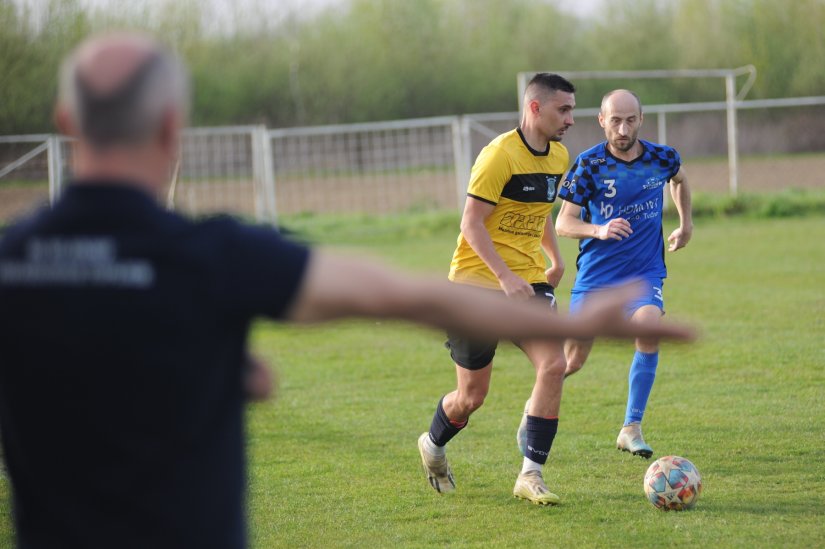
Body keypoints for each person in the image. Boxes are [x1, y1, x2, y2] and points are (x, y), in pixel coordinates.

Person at [0, 35, 693, 549]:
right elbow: (380, 291)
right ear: (171, 130)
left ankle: (529, 470)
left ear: (65, 121)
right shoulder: (214, 254)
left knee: (536, 365)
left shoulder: (14, 262)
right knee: (469, 395)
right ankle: (438, 437)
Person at [417, 73, 576, 505]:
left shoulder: (558, 157)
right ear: (535, 108)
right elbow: (471, 223)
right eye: (564, 110)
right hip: (475, 286)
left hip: (529, 282)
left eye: (573, 110)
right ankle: (432, 446)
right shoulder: (499, 155)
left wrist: (555, 258)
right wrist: (504, 277)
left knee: (553, 364)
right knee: (471, 397)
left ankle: (531, 473)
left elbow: (538, 210)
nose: (571, 119)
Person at [555, 89, 693, 459]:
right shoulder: (588, 165)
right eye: (615, 120)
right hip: (597, 277)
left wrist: (686, 223)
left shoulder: (662, 158)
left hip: (644, 273)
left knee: (648, 329)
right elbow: (564, 223)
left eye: (630, 119)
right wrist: (598, 230)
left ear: (641, 120)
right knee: (571, 361)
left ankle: (631, 427)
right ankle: (534, 409)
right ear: (602, 121)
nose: (622, 128)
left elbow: (679, 181)